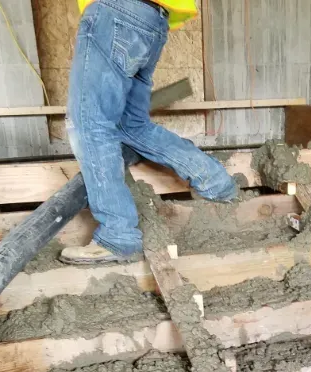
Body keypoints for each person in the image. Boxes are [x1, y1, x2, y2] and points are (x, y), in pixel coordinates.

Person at [60, 0, 237, 265]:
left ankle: (117, 234)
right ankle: (216, 182)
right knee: (132, 125)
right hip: (153, 19)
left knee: (90, 123)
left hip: (115, 11)